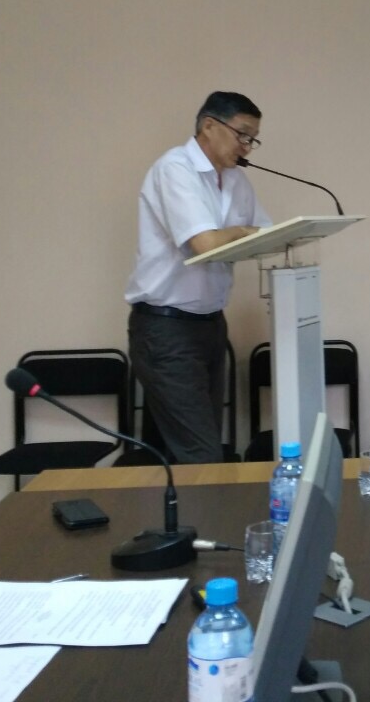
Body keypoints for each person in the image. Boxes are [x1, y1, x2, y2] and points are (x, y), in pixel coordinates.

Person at [125, 91, 273, 463]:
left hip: (210, 325)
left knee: (175, 456)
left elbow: (268, 235)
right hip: (166, 330)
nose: (247, 147)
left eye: (253, 139)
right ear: (209, 125)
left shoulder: (237, 181)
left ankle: (171, 504)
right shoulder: (175, 169)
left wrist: (244, 233)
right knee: (202, 457)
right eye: (242, 134)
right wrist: (240, 232)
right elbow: (204, 243)